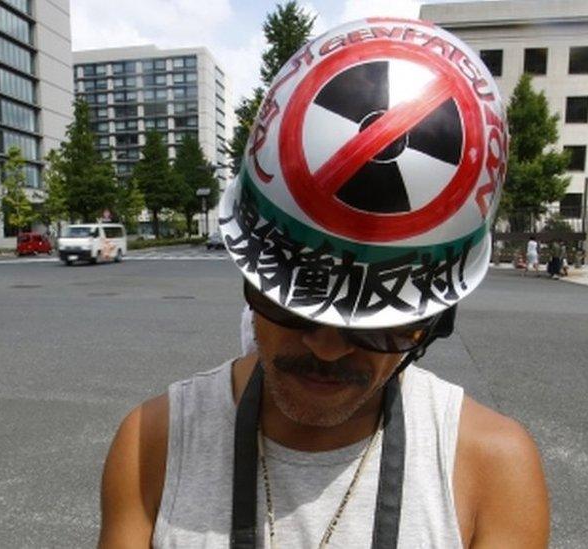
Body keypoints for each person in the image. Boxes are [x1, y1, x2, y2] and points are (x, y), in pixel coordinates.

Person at [98, 18, 548, 549]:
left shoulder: (493, 470)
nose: (329, 347)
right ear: (250, 271)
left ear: (434, 320)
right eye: (298, 299)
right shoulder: (153, 443)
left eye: (380, 323)